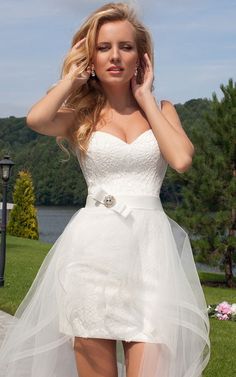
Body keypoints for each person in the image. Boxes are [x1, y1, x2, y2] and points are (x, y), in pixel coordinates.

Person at [0, 2, 210, 377]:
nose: (115, 56)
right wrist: (73, 79)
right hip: (93, 254)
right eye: (103, 47)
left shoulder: (162, 110)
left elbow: (180, 159)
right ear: (90, 57)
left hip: (151, 255)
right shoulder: (81, 115)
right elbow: (37, 119)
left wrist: (145, 97)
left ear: (141, 57)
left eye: (126, 47)